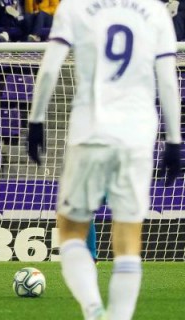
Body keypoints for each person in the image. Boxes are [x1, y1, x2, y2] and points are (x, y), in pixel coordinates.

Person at [27, 0, 181, 319]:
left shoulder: (75, 7)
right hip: (138, 135)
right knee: (128, 240)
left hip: (90, 130)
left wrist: (36, 121)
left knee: (70, 232)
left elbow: (50, 67)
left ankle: (94, 310)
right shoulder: (154, 11)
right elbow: (168, 79)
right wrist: (174, 140)